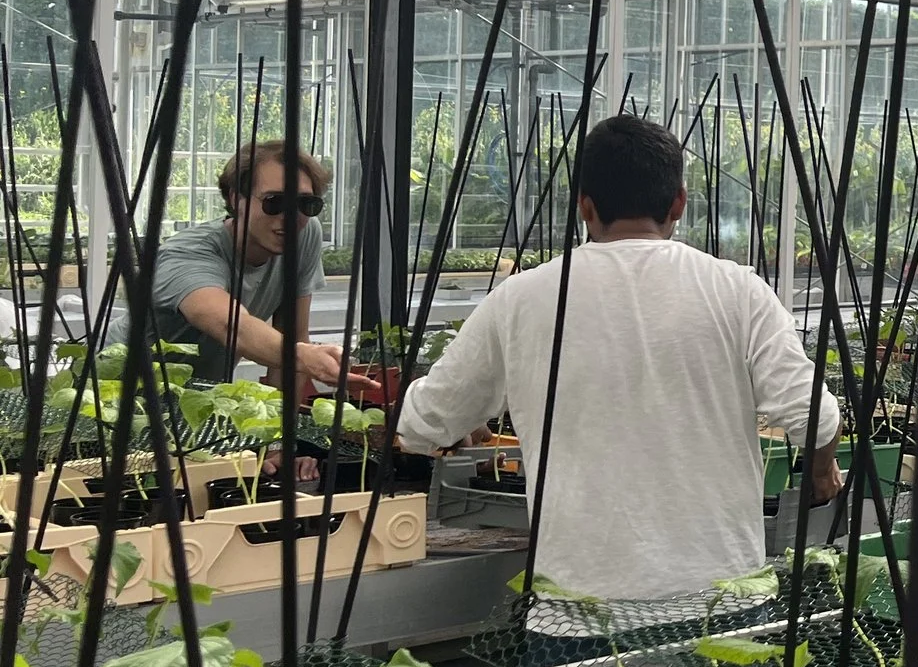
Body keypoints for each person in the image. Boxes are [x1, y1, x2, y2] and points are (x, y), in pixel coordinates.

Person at [397, 113, 841, 607]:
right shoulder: (739, 291)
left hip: (581, 609)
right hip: (719, 597)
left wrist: (444, 417)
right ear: (679, 202)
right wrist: (821, 473)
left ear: (585, 206)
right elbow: (814, 416)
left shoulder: (522, 298)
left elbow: (422, 425)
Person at [154, 141, 341, 387]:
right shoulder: (189, 253)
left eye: (306, 204)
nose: (292, 216)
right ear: (235, 199)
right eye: (274, 201)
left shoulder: (303, 235)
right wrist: (305, 356)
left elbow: (294, 338)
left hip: (200, 396)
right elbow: (232, 325)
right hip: (116, 395)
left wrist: (281, 424)